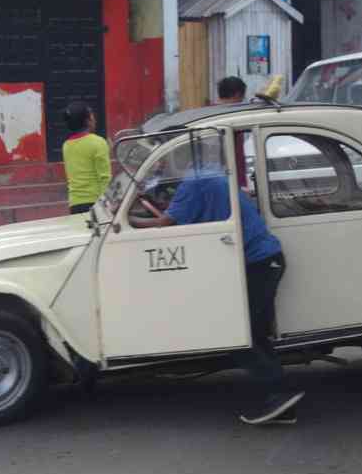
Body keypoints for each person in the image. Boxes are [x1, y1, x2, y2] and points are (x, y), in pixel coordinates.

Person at [128, 168, 304, 425]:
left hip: (259, 263)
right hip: (263, 260)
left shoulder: (192, 184)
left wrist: (128, 220)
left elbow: (166, 223)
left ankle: (278, 397)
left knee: (238, 336)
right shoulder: (206, 174)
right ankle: (278, 393)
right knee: (255, 333)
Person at [61, 101, 111, 214]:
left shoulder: (66, 145)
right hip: (96, 203)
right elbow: (105, 178)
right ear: (88, 121)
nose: (94, 119)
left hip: (75, 204)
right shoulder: (98, 142)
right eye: (92, 115)